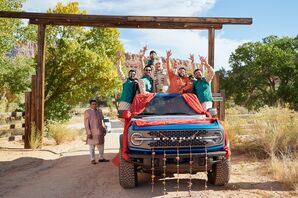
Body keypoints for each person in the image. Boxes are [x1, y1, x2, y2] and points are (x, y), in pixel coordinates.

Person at [84, 99, 109, 164]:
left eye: (95, 104)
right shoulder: (87, 112)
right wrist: (88, 132)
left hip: (100, 131)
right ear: (90, 105)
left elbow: (102, 121)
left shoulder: (99, 111)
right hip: (92, 132)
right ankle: (92, 159)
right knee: (92, 146)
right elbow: (86, 124)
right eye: (93, 104)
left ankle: (101, 158)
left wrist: (104, 129)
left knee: (101, 145)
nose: (94, 105)